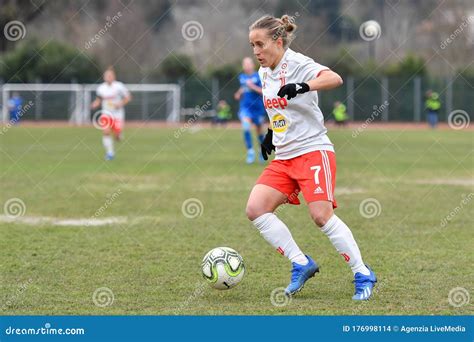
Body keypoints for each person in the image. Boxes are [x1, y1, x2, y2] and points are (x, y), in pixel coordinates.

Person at [246, 14, 376, 300]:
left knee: (321, 216)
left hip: (312, 151)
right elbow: (278, 107)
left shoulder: (298, 63)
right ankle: (301, 263)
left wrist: (303, 86)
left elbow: (334, 78)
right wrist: (271, 132)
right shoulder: (264, 71)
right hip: (285, 156)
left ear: (278, 42)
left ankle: (362, 272)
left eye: (260, 44)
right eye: (252, 46)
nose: (256, 52)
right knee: (256, 209)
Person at [91, 67, 131, 160]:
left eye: (110, 76)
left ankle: (119, 135)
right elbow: (98, 100)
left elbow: (128, 97)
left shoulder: (119, 86)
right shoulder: (101, 88)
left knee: (117, 137)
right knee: (106, 132)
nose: (108, 77)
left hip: (117, 114)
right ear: (104, 77)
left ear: (114, 76)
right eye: (107, 76)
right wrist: (95, 104)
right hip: (106, 114)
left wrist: (120, 103)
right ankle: (110, 153)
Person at [234, 57, 267, 164]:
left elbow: (264, 91)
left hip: (257, 108)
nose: (247, 66)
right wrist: (238, 94)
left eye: (248, 64)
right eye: (245, 64)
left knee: (259, 132)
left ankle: (262, 151)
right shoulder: (242, 77)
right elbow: (243, 87)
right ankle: (250, 151)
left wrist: (252, 86)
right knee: (246, 127)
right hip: (245, 108)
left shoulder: (259, 76)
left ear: (253, 65)